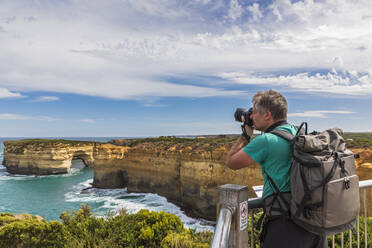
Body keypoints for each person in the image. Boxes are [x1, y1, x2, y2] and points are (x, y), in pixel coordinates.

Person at [226, 90, 327, 248]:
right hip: (314, 224)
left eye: (254, 112)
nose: (251, 116)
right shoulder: (299, 132)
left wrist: (245, 135)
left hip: (286, 226)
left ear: (267, 115)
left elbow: (231, 162)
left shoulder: (266, 140)